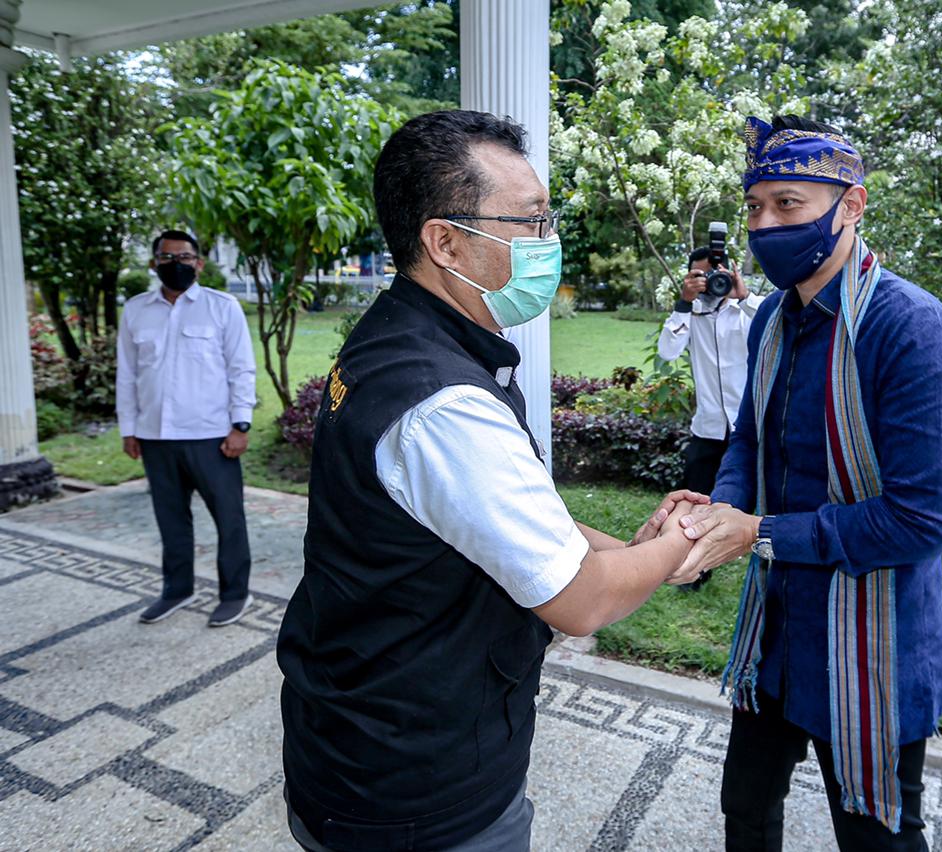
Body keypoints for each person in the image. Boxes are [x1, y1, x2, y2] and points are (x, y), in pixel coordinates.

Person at [276, 110, 703, 852]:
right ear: (445, 242)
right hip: (418, 790)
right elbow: (581, 601)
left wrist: (625, 548)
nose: (549, 241)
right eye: (531, 221)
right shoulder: (444, 402)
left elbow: (488, 516)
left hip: (356, 737)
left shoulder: (396, 335)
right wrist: (681, 545)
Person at [671, 116, 942, 851]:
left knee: (876, 837)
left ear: (851, 205)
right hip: (776, 633)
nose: (764, 226)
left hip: (870, 648)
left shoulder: (913, 329)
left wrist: (758, 533)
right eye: (755, 207)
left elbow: (920, 522)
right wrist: (718, 512)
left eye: (788, 204)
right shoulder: (772, 319)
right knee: (745, 810)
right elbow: (749, 438)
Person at [116, 230, 257, 628]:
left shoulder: (222, 307)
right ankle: (177, 589)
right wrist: (129, 428)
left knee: (229, 519)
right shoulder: (136, 311)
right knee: (171, 519)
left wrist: (240, 425)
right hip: (155, 436)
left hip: (212, 436)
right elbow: (126, 374)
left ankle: (235, 593)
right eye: (166, 257)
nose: (175, 264)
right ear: (153, 263)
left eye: (184, 257)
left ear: (198, 263)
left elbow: (241, 369)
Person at [657, 248, 762, 591]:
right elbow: (667, 352)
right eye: (699, 276)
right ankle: (693, 574)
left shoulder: (746, 311)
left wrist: (743, 296)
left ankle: (767, 566)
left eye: (713, 274)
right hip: (708, 427)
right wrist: (684, 303)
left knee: (761, 501)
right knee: (696, 503)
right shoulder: (692, 314)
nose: (708, 282)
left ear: (728, 273)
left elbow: (774, 328)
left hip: (750, 430)